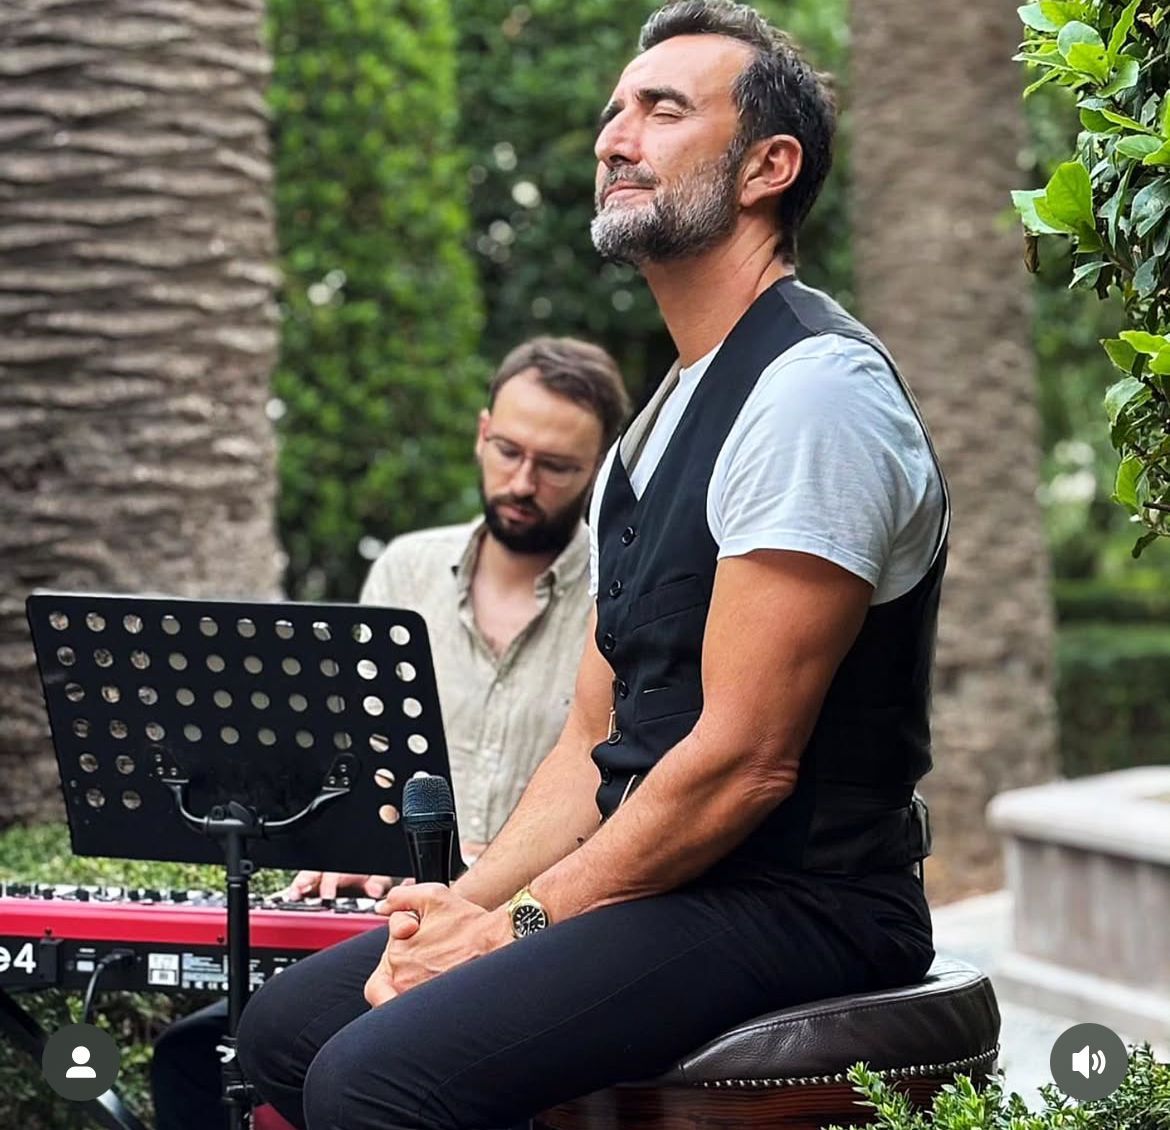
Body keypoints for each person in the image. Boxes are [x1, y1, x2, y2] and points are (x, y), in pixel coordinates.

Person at [237, 3, 950, 1129]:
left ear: (771, 165)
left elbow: (744, 761)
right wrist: (459, 904)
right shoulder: (655, 422)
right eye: (613, 111)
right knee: (286, 1028)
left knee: (368, 1077)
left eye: (663, 109)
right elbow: (589, 738)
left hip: (801, 896)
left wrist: (517, 927)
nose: (617, 136)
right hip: (671, 883)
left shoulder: (814, 395)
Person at [149, 336, 630, 1130]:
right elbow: (354, 767)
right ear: (481, 432)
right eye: (507, 451)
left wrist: (487, 877)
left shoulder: (620, 594)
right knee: (199, 1058)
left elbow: (615, 799)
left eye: (556, 467)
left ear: (599, 465)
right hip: (396, 918)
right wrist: (347, 849)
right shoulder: (405, 570)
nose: (520, 483)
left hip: (527, 928)